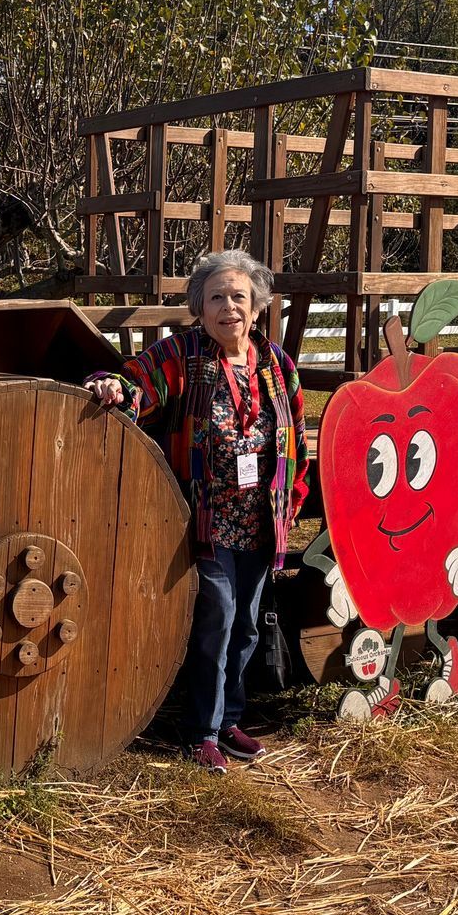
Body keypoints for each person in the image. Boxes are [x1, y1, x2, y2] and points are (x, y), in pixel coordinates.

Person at [85, 249, 309, 774]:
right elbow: (137, 381)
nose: (228, 307)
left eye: (238, 297)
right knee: (218, 619)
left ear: (257, 307)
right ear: (199, 308)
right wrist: (115, 386)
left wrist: (292, 497)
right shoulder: (183, 355)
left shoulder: (277, 364)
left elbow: (297, 431)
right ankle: (201, 731)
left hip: (260, 518)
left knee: (249, 625)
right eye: (216, 298)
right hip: (206, 518)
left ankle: (230, 719)